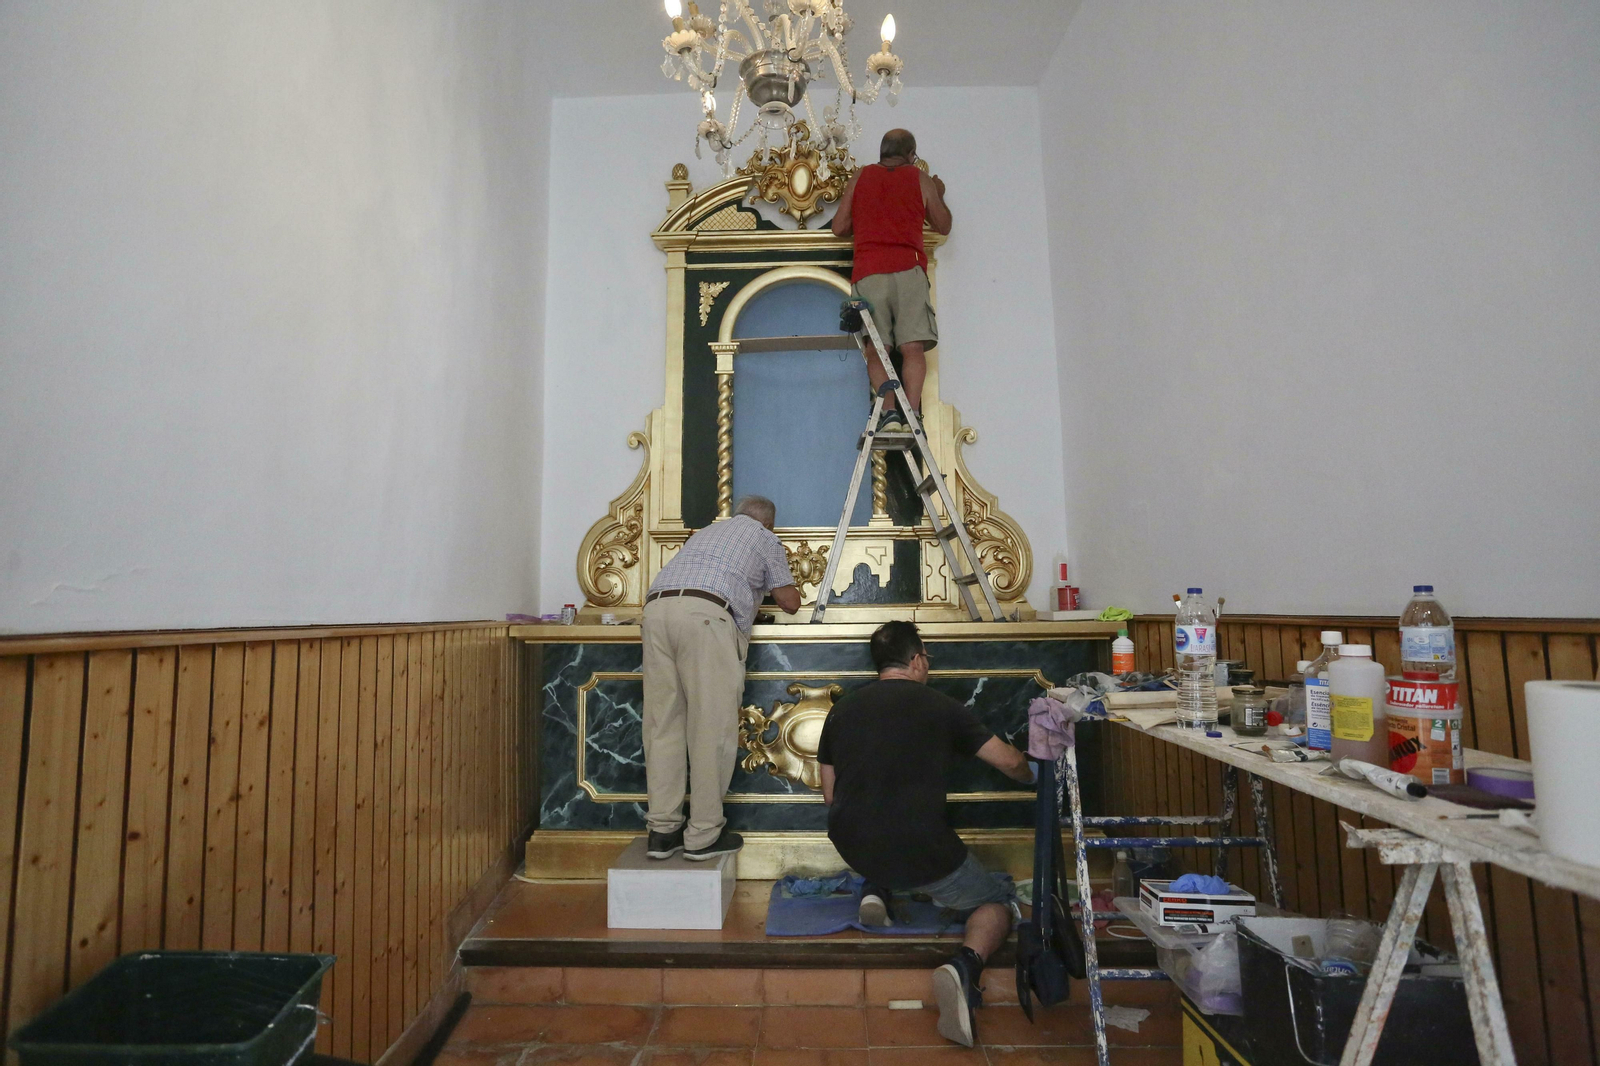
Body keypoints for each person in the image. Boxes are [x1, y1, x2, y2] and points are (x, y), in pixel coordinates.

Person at [816, 621, 1034, 1047]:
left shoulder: (841, 709)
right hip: (922, 850)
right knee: (996, 902)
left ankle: (876, 891)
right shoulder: (940, 705)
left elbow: (830, 795)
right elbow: (1009, 762)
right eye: (926, 659)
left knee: (884, 836)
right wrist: (1032, 774)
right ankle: (965, 967)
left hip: (852, 843)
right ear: (916, 660)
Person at [642, 495, 801, 862]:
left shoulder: (706, 533)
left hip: (656, 612)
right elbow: (789, 601)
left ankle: (662, 832)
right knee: (710, 729)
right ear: (768, 523)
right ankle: (703, 835)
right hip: (706, 619)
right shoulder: (764, 537)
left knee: (662, 725)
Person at [830, 128, 952, 427]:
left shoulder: (860, 177)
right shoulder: (919, 178)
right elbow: (944, 225)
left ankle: (889, 413)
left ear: (882, 152)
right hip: (909, 270)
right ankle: (912, 413)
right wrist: (937, 193)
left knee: (876, 347)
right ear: (911, 154)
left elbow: (839, 227)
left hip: (869, 271)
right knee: (912, 347)